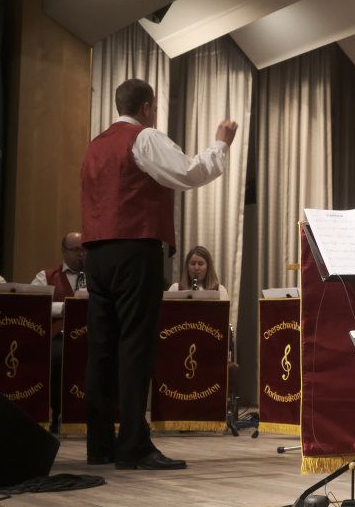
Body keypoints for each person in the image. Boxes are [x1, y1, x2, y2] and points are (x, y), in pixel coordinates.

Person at [81, 78, 237, 470]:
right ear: (148, 107)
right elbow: (187, 172)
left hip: (96, 253)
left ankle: (99, 444)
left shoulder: (95, 145)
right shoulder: (144, 137)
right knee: (135, 346)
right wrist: (221, 144)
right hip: (135, 249)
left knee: (102, 348)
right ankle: (132, 446)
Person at [31, 231, 86, 432]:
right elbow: (34, 304)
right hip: (59, 337)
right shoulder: (45, 276)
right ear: (64, 251)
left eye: (84, 250)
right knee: (58, 356)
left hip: (88, 337)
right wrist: (63, 308)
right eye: (76, 250)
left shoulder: (95, 276)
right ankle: (58, 415)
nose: (81, 254)